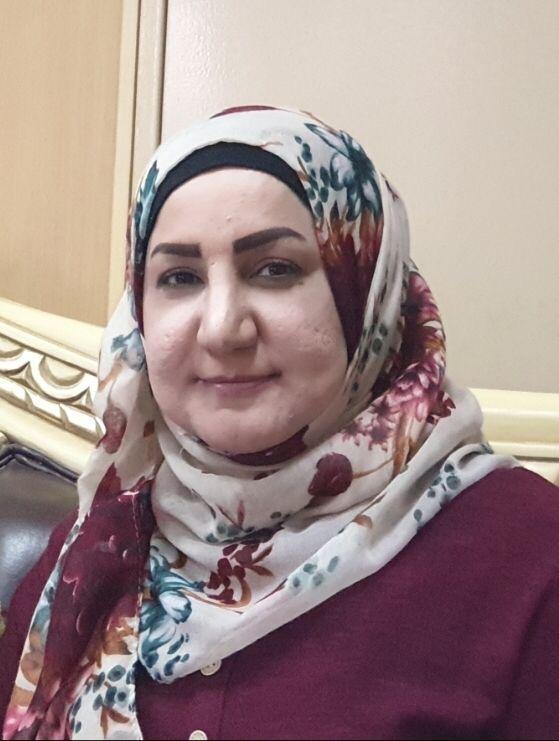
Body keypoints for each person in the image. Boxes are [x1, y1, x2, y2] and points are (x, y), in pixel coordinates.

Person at [1, 106, 558, 741]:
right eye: (179, 277)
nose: (222, 329)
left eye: (275, 269)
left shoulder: (529, 561)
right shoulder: (92, 556)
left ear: (366, 293)